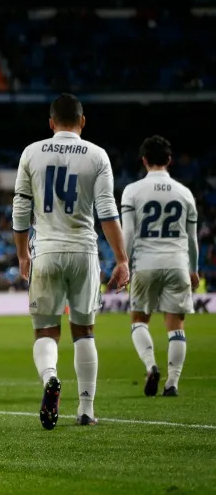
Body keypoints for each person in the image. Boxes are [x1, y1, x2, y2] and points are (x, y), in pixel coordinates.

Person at [12, 94, 129, 429]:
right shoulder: (97, 155)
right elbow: (107, 211)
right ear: (83, 121)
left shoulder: (31, 152)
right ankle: (87, 409)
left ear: (50, 123)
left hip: (46, 251)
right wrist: (121, 259)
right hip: (83, 251)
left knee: (45, 330)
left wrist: (23, 254)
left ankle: (51, 378)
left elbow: (20, 211)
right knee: (84, 331)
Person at [120, 136, 199, 397]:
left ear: (144, 160)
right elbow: (192, 238)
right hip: (177, 262)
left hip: (146, 262)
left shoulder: (133, 191)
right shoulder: (184, 193)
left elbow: (128, 233)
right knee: (176, 325)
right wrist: (194, 268)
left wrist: (124, 263)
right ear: (169, 160)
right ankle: (172, 383)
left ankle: (151, 365)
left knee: (139, 320)